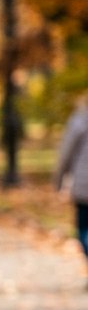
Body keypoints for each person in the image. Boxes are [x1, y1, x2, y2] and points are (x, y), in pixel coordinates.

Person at [53, 95, 88, 289]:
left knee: (83, 229)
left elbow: (65, 153)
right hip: (83, 185)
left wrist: (58, 180)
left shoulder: (80, 120)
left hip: (84, 184)